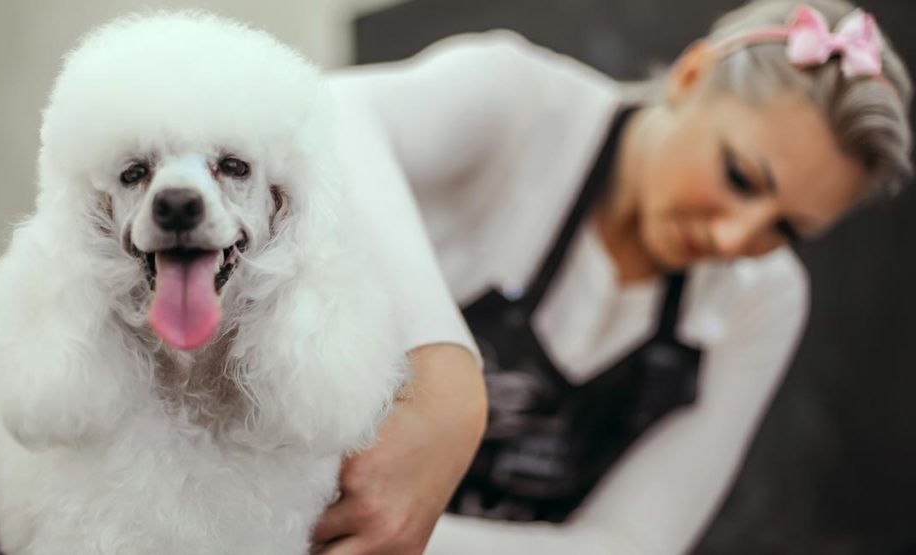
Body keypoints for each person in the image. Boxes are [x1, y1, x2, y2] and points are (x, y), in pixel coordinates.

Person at [311, 0, 913, 553]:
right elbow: (327, 115)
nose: (734, 239)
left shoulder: (764, 298)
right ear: (690, 76)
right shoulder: (516, 102)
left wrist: (401, 533)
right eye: (739, 177)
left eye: (786, 231)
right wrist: (442, 371)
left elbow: (631, 544)